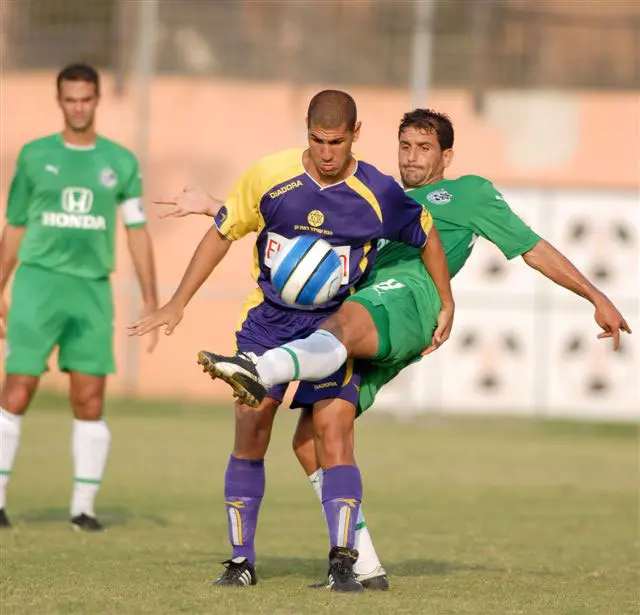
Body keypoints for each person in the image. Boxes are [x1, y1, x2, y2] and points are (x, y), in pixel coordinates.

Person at [190, 108, 631, 589]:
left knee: (341, 326)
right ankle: (364, 566)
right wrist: (216, 207)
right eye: (405, 146)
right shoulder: (381, 198)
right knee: (310, 440)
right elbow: (299, 230)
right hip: (361, 313)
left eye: (424, 148)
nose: (412, 157)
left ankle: (259, 367)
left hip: (405, 302)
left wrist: (594, 295)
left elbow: (532, 246)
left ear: (447, 155)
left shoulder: (470, 194)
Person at [128, 91, 454, 591]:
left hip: (333, 324)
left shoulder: (378, 192)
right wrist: (177, 302)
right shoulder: (269, 176)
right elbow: (222, 231)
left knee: (334, 433)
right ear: (306, 131)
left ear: (356, 134)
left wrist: (445, 300)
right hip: (267, 322)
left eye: (337, 142)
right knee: (251, 430)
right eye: (318, 140)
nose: (327, 152)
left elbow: (426, 233)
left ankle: (343, 563)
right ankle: (241, 562)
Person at [0, 64, 159, 532]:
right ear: (59, 100)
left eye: (86, 98)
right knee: (16, 390)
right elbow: (14, 227)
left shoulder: (120, 162)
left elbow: (136, 231)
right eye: (70, 98)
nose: (78, 106)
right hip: (38, 284)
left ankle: (83, 509)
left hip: (91, 290)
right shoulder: (33, 157)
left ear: (96, 99)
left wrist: (152, 298)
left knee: (89, 399)